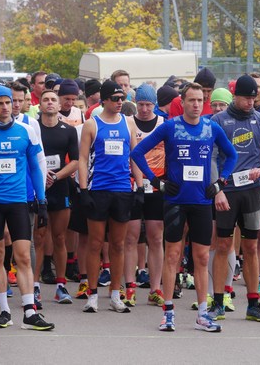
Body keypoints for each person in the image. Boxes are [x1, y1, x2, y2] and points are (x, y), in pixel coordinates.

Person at [133, 82, 237, 332]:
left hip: (202, 202)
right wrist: (156, 181)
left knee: (201, 257)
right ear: (183, 102)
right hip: (175, 202)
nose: (197, 105)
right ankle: (168, 312)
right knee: (172, 256)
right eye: (192, 100)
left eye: (200, 100)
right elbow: (137, 153)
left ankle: (202, 314)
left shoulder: (211, 127)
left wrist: (220, 182)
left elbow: (231, 155)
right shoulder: (170, 126)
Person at [0, 85, 54, 330]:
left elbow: (36, 167)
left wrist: (42, 201)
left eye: (8, 102)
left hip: (18, 201)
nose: (6, 107)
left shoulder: (26, 130)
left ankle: (29, 311)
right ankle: (4, 310)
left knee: (23, 256)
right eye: (0, 103)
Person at [209, 74, 260, 324]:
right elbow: (212, 158)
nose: (250, 102)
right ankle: (218, 302)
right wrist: (217, 189)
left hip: (252, 191)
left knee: (250, 247)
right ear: (235, 96)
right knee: (223, 246)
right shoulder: (218, 120)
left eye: (254, 98)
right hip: (227, 191)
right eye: (246, 98)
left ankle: (253, 304)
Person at [78, 80, 143, 313]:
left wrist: (140, 186)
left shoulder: (128, 122)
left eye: (122, 98)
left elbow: (135, 156)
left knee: (118, 244)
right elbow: (82, 159)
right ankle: (92, 294)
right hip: (98, 189)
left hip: (122, 190)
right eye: (115, 99)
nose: (119, 102)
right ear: (104, 100)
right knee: (95, 244)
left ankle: (116, 294)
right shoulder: (91, 124)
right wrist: (83, 190)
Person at [122, 84, 165, 308]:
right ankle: (130, 286)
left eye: (149, 105)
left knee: (155, 238)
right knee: (130, 238)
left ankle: (155, 288)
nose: (145, 109)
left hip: (156, 187)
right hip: (132, 187)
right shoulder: (128, 122)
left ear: (154, 104)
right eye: (141, 104)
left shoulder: (163, 123)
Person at [37, 90, 79, 303]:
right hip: (38, 188)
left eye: (53, 100)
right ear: (40, 105)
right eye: (46, 100)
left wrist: (56, 176)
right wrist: (41, 174)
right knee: (38, 238)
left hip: (60, 187)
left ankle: (61, 286)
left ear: (59, 105)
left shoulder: (68, 130)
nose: (50, 103)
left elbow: (76, 161)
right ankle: (34, 286)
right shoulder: (32, 129)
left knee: (60, 237)